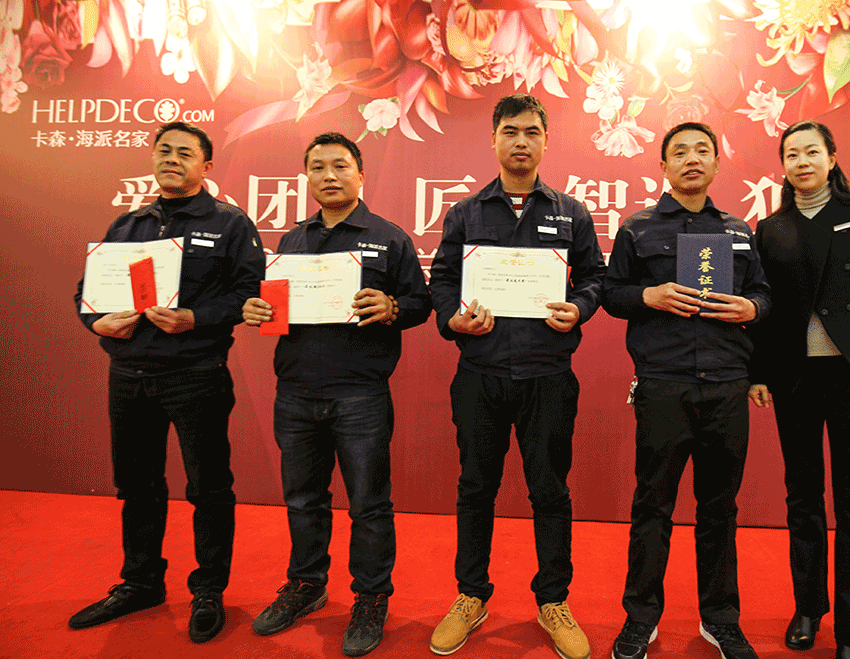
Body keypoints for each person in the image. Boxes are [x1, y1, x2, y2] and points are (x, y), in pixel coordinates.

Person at [70, 122, 265, 642]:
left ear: (206, 166)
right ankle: (141, 582)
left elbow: (250, 295)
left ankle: (209, 589)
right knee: (136, 486)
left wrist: (194, 318)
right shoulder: (128, 224)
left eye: (184, 153)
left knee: (208, 487)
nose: (172, 159)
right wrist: (96, 322)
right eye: (164, 151)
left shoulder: (229, 223)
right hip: (127, 375)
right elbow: (87, 292)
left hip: (195, 374)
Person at [427, 94, 606, 659]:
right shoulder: (465, 213)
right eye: (510, 131)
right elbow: (441, 280)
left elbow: (595, 278)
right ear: (494, 139)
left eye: (531, 131)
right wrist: (452, 318)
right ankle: (470, 595)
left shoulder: (572, 212)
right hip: (479, 374)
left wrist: (579, 307)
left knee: (549, 489)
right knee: (475, 487)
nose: (521, 141)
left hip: (547, 374)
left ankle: (553, 600)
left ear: (546, 140)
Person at [241, 132, 431, 656]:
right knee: (303, 499)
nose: (329, 175)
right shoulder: (290, 243)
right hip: (295, 391)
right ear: (306, 177)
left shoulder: (388, 238)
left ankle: (371, 596)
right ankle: (306, 585)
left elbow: (420, 303)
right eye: (318, 167)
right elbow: (276, 311)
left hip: (360, 394)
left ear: (360, 174)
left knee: (369, 504)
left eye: (340, 166)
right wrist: (258, 310)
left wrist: (392, 307)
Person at [602, 122, 771, 659]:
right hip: (663, 386)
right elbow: (610, 292)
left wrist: (752, 308)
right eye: (680, 152)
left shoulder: (738, 230)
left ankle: (720, 619)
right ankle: (641, 618)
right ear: (663, 166)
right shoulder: (637, 228)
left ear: (717, 163)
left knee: (719, 508)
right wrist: (647, 296)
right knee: (652, 506)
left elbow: (764, 294)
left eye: (703, 150)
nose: (692, 159)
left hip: (726, 386)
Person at [747, 120, 850, 659]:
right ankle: (808, 608)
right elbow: (764, 309)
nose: (802, 162)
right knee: (802, 498)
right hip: (795, 378)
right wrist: (757, 373)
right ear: (783, 165)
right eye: (791, 154)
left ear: (832, 157)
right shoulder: (771, 227)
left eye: (811, 152)